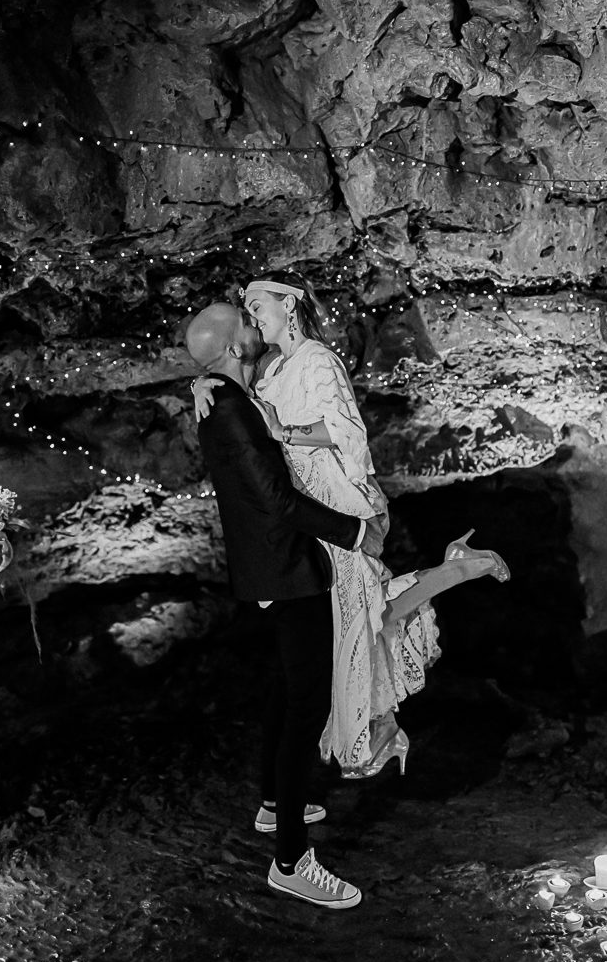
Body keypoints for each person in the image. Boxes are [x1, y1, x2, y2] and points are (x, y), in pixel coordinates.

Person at [193, 272, 509, 779]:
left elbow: (347, 432)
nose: (253, 316)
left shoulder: (319, 360)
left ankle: (452, 579)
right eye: (247, 311)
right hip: (311, 510)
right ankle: (454, 570)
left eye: (259, 306)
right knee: (360, 618)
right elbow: (239, 390)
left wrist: (286, 430)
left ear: (290, 306)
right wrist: (202, 380)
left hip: (336, 501)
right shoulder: (273, 366)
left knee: (360, 619)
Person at [185, 301, 381, 910]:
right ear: (236, 346)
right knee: (306, 706)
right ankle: (292, 860)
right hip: (287, 570)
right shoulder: (230, 408)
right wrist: (353, 532)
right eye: (243, 320)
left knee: (282, 687)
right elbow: (273, 498)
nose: (252, 321)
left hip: (275, 567)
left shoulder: (226, 398)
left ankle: (273, 803)